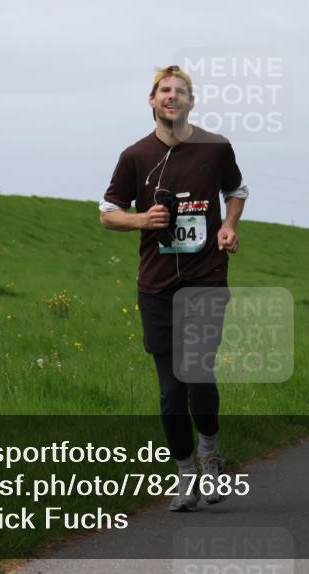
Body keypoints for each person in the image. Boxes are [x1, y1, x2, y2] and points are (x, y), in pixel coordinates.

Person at [100, 65, 248, 512]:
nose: (173, 97)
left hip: (206, 280)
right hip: (157, 286)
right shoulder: (134, 156)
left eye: (181, 91)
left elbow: (237, 190)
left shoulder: (216, 147)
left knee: (198, 376)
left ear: (191, 102)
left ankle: (210, 457)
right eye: (165, 90)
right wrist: (143, 219)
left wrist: (227, 225)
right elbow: (108, 213)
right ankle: (184, 475)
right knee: (170, 390)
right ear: (151, 100)